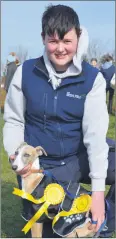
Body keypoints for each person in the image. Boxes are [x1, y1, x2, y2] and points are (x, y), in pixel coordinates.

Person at [3, 4, 115, 238]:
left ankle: (103, 218)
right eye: (53, 41)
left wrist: (97, 193)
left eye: (67, 41)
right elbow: (13, 121)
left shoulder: (92, 79)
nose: (61, 49)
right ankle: (65, 218)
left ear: (78, 37)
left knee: (99, 205)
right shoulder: (25, 72)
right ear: (43, 38)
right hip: (45, 168)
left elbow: (95, 138)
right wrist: (17, 154)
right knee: (52, 232)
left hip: (78, 158)